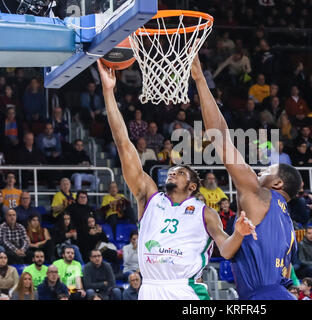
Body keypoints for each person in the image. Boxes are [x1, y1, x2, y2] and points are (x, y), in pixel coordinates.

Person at [98, 60, 257, 300]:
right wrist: (109, 92)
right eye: (173, 170)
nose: (173, 172)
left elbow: (225, 249)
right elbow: (123, 144)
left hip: (184, 289)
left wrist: (240, 234)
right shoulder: (149, 197)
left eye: (180, 172)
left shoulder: (205, 213)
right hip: (149, 287)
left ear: (192, 186)